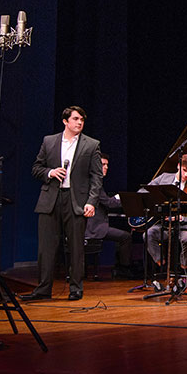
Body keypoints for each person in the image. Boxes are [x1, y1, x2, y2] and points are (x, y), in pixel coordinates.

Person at [24, 106, 103, 301]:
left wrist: (91, 201)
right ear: (65, 121)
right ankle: (43, 289)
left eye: (82, 120)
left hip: (75, 200)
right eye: (75, 119)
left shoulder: (91, 145)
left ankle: (76, 288)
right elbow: (36, 168)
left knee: (76, 248)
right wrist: (50, 172)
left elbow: (96, 177)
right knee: (46, 247)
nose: (79, 123)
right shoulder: (49, 141)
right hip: (51, 198)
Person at [145, 153, 187, 276]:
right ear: (178, 166)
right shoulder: (164, 178)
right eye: (184, 170)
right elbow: (144, 192)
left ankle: (183, 268)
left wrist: (181, 217)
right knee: (148, 234)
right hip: (164, 225)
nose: (186, 175)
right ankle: (162, 264)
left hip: (184, 225)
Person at [84, 152, 133, 279]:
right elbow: (109, 203)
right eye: (103, 164)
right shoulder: (94, 183)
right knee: (126, 237)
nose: (106, 167)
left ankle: (120, 266)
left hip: (95, 225)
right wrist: (127, 200)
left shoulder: (92, 181)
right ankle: (124, 269)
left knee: (122, 236)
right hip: (94, 227)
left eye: (107, 165)